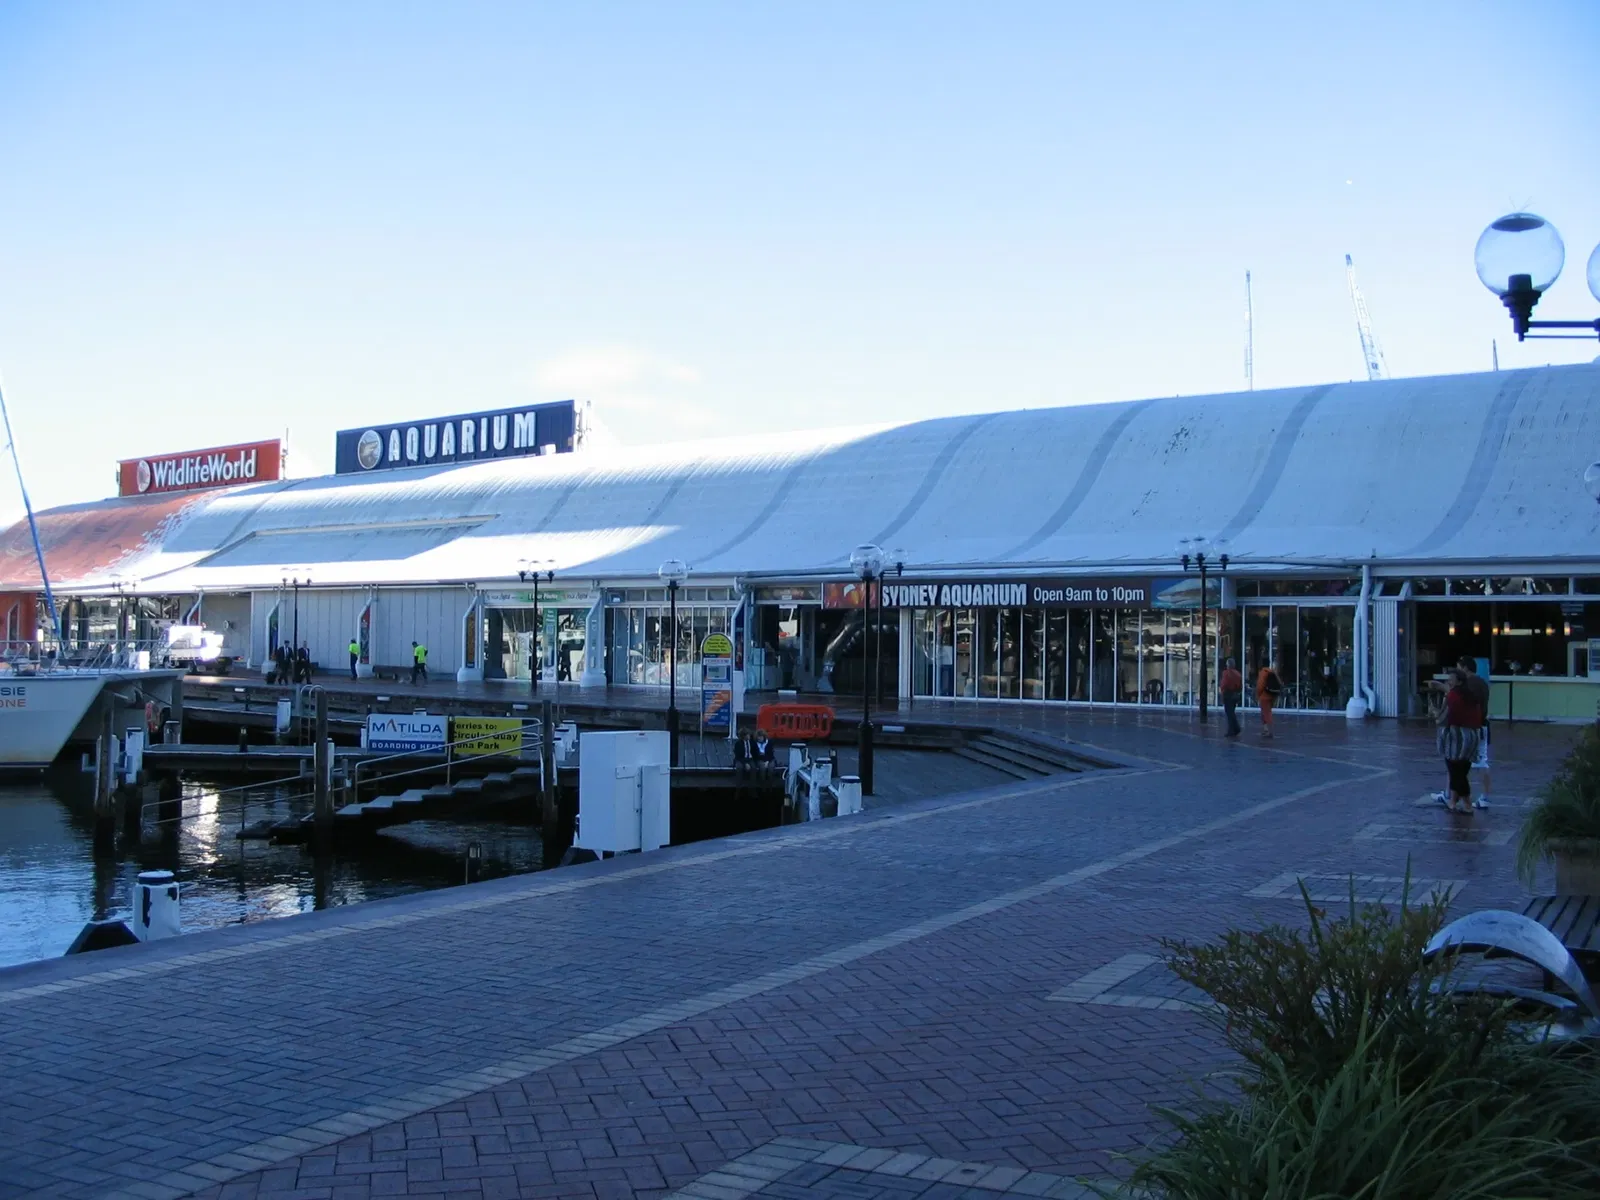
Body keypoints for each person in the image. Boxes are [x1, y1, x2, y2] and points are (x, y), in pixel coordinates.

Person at [1438, 668, 1483, 814]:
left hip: (1456, 736)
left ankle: (1467, 803)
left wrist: (1434, 712)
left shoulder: (1452, 696)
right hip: (1472, 735)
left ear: (1458, 681)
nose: (1449, 681)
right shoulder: (1470, 696)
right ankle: (1453, 800)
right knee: (1462, 769)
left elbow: (1443, 718)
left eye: (1451, 678)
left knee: (1455, 770)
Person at [1458, 655, 1492, 808]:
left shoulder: (1468, 684)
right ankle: (1484, 797)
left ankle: (1456, 795)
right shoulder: (1482, 683)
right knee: (1482, 761)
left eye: (1459, 667)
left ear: (1465, 667)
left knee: (1459, 760)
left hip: (1472, 726)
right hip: (1482, 725)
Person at [1255, 659, 1283, 739]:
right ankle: (1266, 730)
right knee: (1265, 712)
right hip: (1272, 695)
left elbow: (1260, 685)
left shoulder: (1263, 673)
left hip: (1265, 695)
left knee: (1266, 713)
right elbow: (1280, 683)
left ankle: (1269, 731)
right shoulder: (1272, 672)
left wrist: (1258, 695)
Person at [1219, 657, 1243, 738]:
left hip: (1228, 694)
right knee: (1232, 712)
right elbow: (1240, 686)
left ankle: (1232, 730)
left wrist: (1222, 691)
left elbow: (1224, 684)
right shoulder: (1238, 674)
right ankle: (1235, 728)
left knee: (1229, 713)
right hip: (1235, 694)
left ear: (1228, 665)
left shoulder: (1226, 673)